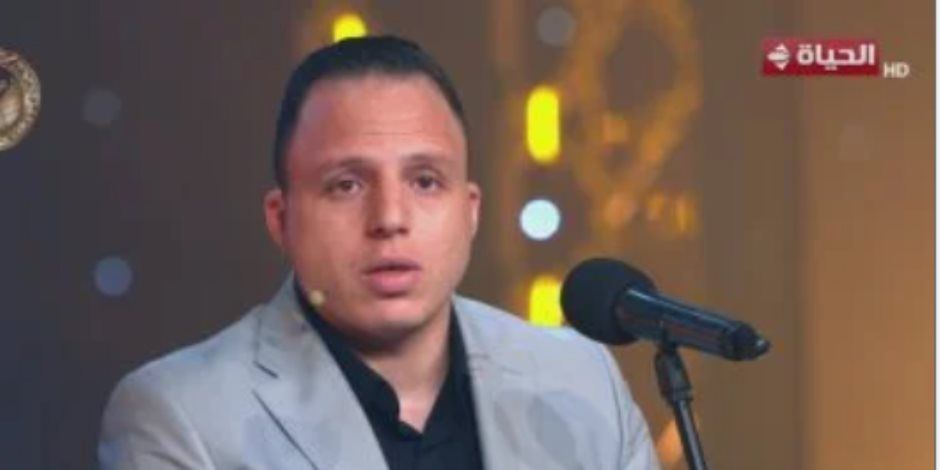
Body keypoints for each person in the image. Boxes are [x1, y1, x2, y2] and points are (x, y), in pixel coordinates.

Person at [98, 35, 659, 470]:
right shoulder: (182, 414)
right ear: (281, 219)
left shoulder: (580, 380)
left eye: (425, 181)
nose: (390, 218)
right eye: (346, 185)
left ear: (470, 211)